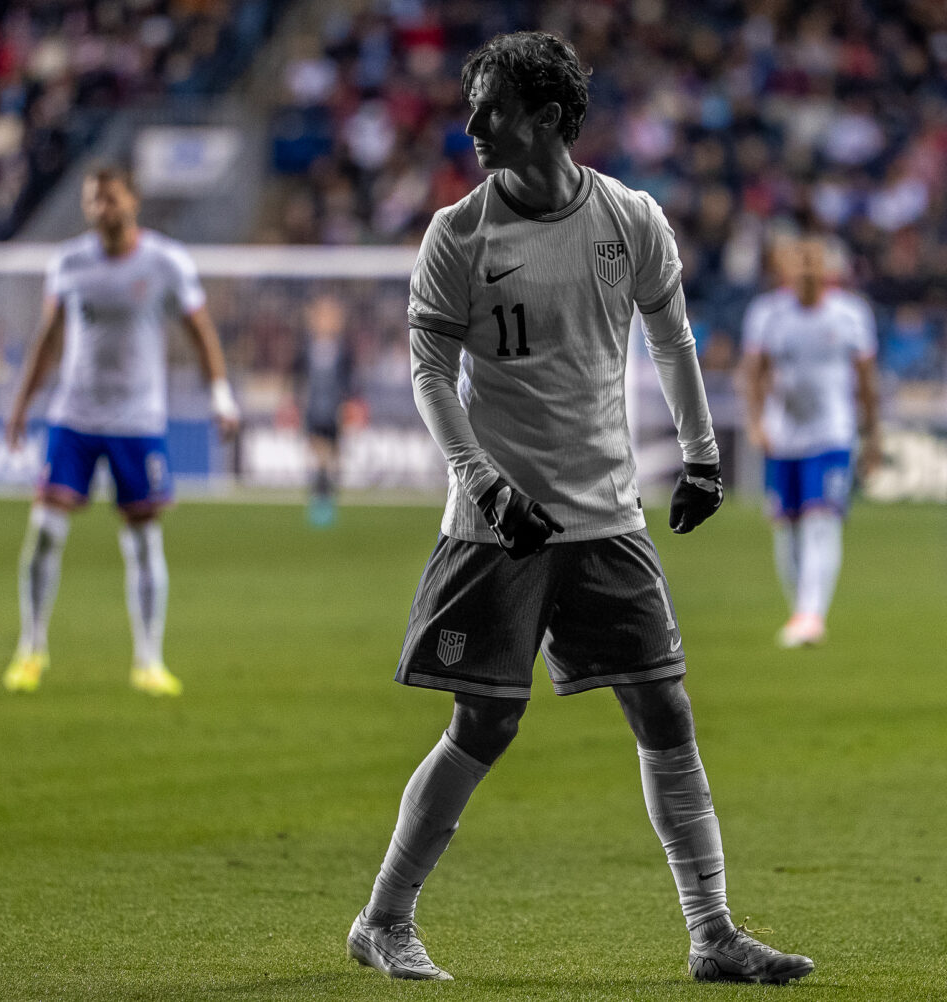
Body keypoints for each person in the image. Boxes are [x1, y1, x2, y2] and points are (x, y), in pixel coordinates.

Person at [346, 31, 813, 986]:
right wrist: (483, 481)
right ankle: (382, 921)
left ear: (549, 118)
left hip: (606, 514)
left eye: (492, 109)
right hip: (497, 524)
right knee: (485, 725)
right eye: (472, 106)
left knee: (665, 706)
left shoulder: (630, 218)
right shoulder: (458, 234)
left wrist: (702, 455)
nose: (471, 125)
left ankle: (713, 934)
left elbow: (673, 339)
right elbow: (430, 373)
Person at [2, 163, 240, 696]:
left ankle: (148, 661)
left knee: (144, 541)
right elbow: (49, 338)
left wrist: (220, 395)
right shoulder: (68, 263)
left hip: (138, 421)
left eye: (109, 198)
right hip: (73, 417)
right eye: (93, 200)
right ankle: (31, 649)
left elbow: (200, 330)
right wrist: (21, 405)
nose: (100, 208)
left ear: (132, 201)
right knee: (45, 531)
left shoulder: (166, 262)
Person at [741, 235, 880, 648]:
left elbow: (867, 380)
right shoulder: (767, 314)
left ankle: (811, 614)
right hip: (784, 437)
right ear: (785, 270)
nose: (806, 271)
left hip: (832, 434)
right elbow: (754, 372)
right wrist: (756, 422)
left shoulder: (850, 314)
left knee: (822, 520)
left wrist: (872, 433)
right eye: (798, 263)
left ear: (828, 270)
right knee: (787, 528)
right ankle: (801, 611)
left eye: (813, 263)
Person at [291, 292, 355, 526]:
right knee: (317, 455)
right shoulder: (307, 349)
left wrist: (347, 406)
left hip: (334, 410)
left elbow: (348, 381)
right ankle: (318, 500)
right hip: (314, 409)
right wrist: (297, 403)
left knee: (333, 458)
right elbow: (298, 378)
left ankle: (329, 499)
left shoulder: (342, 350)